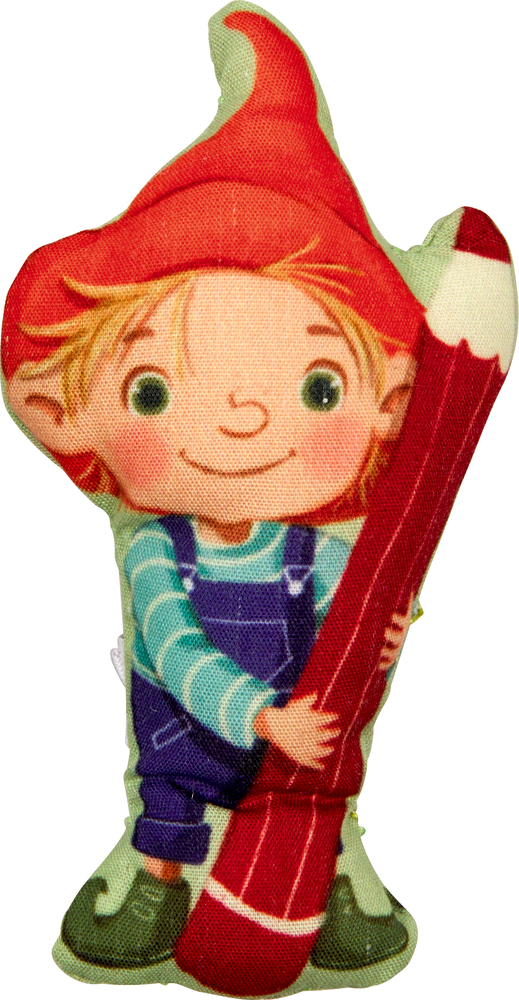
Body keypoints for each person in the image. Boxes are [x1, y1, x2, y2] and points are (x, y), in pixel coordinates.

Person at [1, 4, 425, 975]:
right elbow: (177, 648)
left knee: (319, 779)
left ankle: (324, 865)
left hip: (303, 758)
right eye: (152, 390)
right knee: (174, 795)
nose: (239, 417)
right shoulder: (157, 548)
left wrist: (379, 636)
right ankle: (161, 876)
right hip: (205, 740)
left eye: (319, 388)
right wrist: (264, 718)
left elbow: (348, 617)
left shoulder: (316, 551)